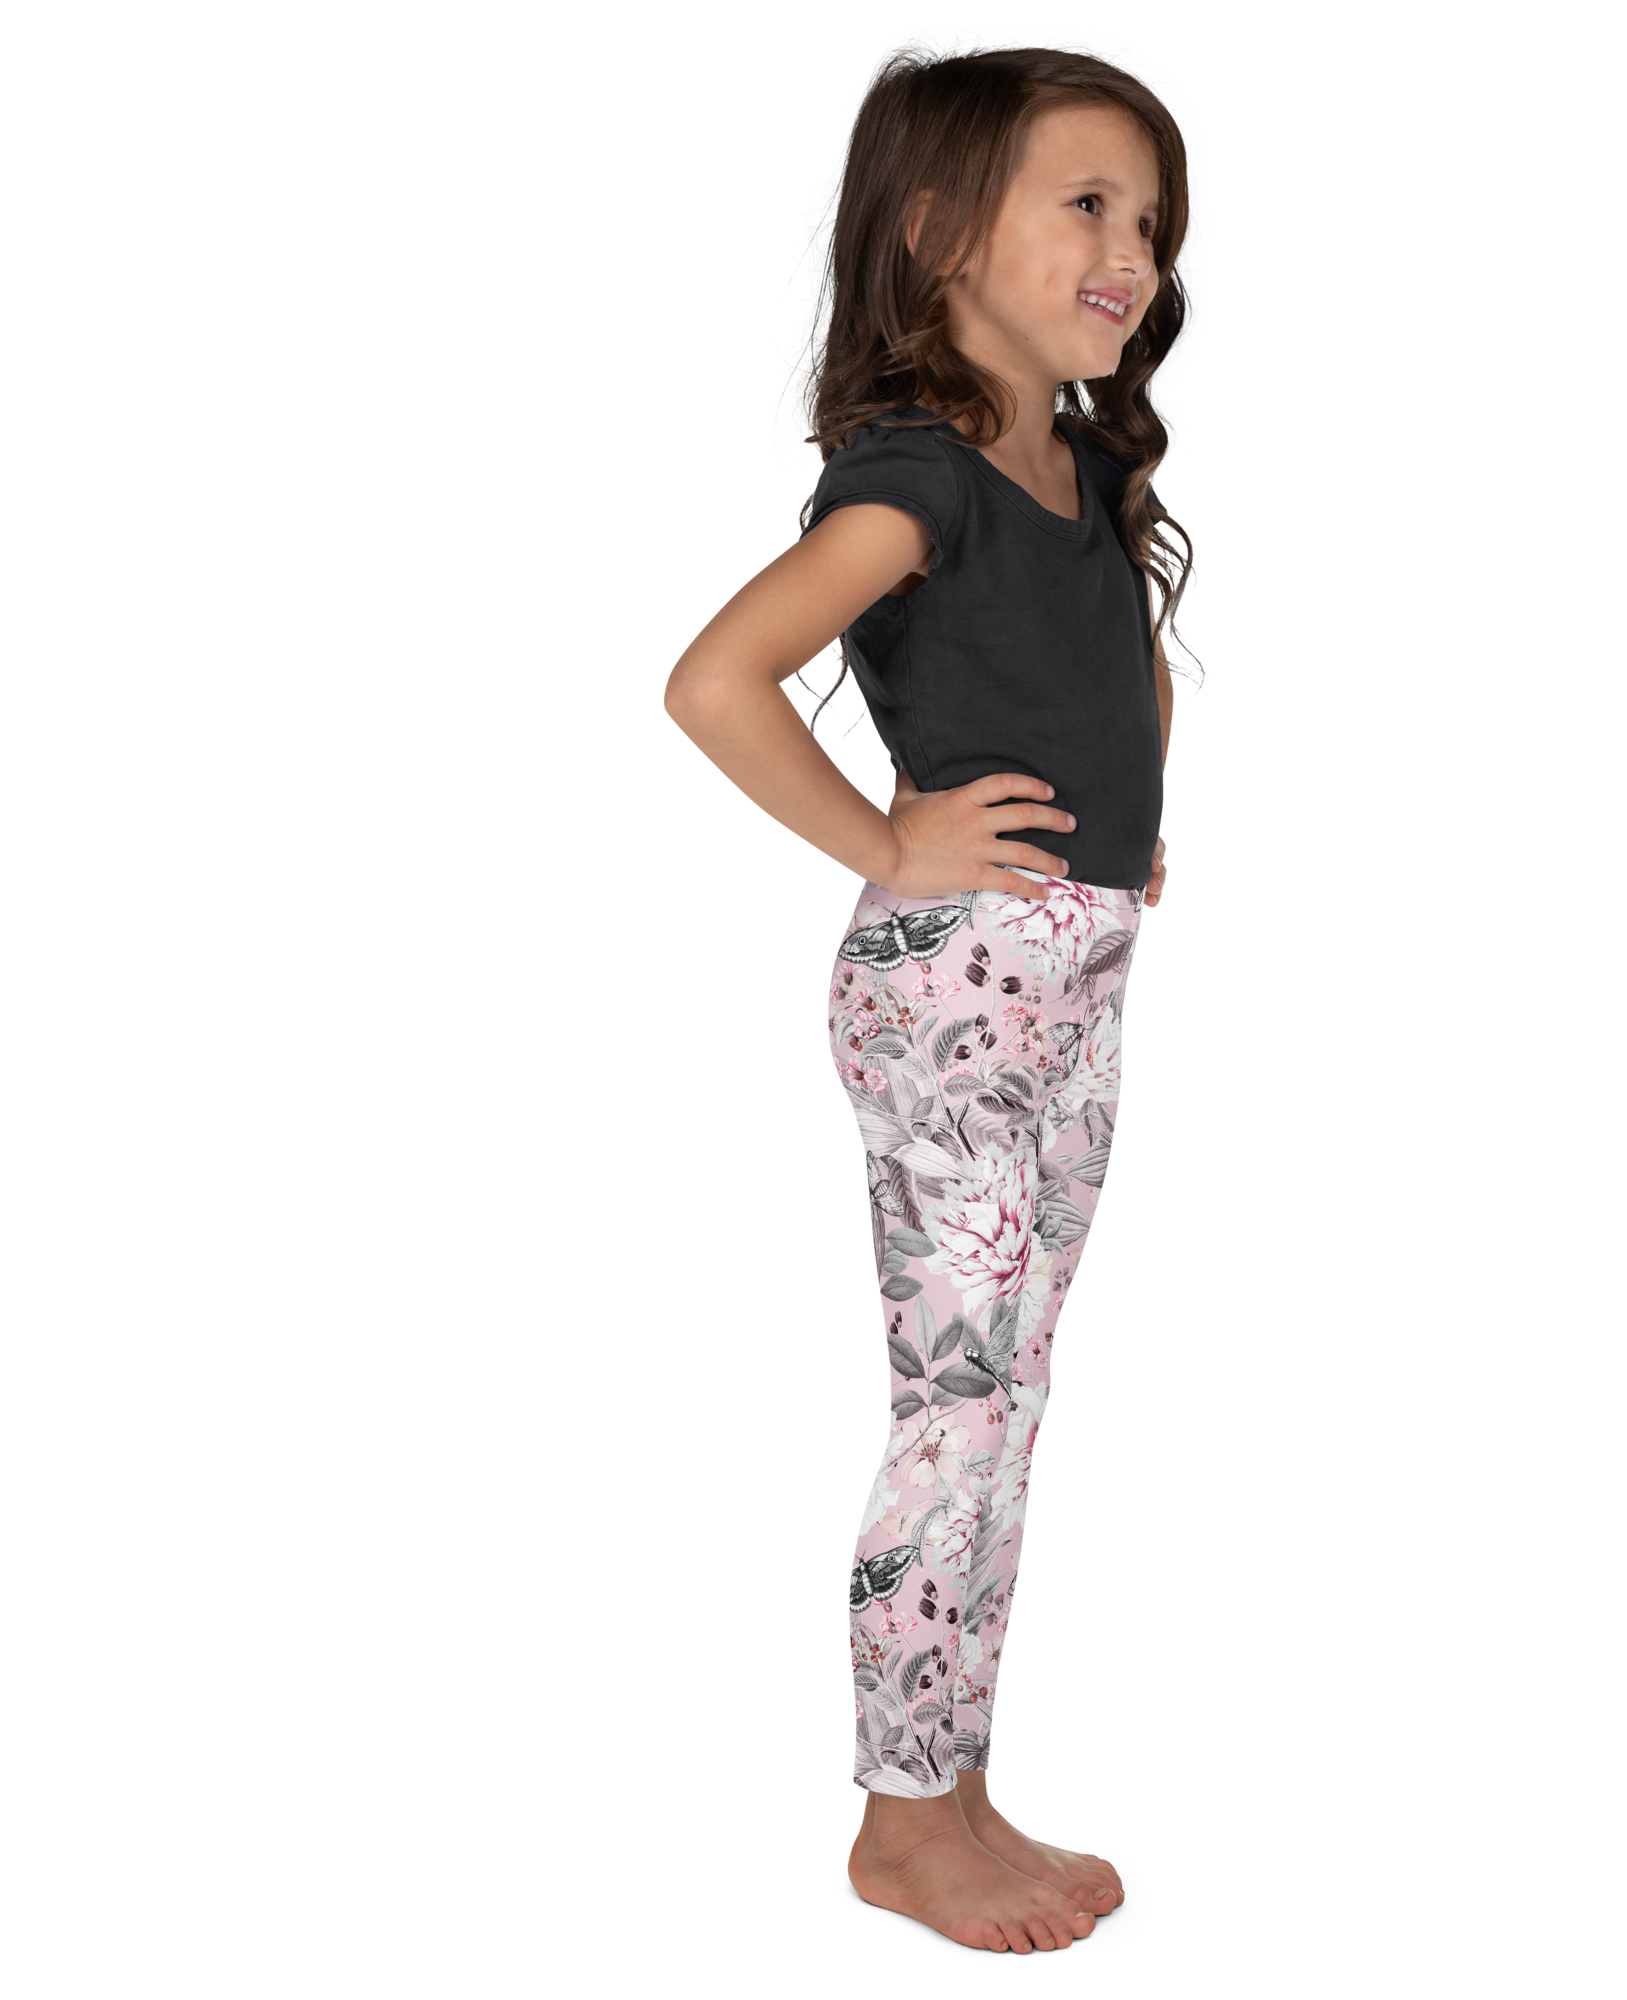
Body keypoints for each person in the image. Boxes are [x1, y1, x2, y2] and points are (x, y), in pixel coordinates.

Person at [660, 27, 1209, 1957]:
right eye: (1087, 203)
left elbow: (1126, 670)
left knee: (1009, 1404)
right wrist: (890, 841)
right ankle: (901, 1827)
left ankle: (954, 1781)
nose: (1132, 249)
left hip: (1077, 966)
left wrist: (1129, 838)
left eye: (1151, 217)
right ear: (937, 230)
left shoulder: (1089, 466)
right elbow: (714, 680)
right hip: (962, 984)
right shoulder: (922, 476)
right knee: (959, 1411)